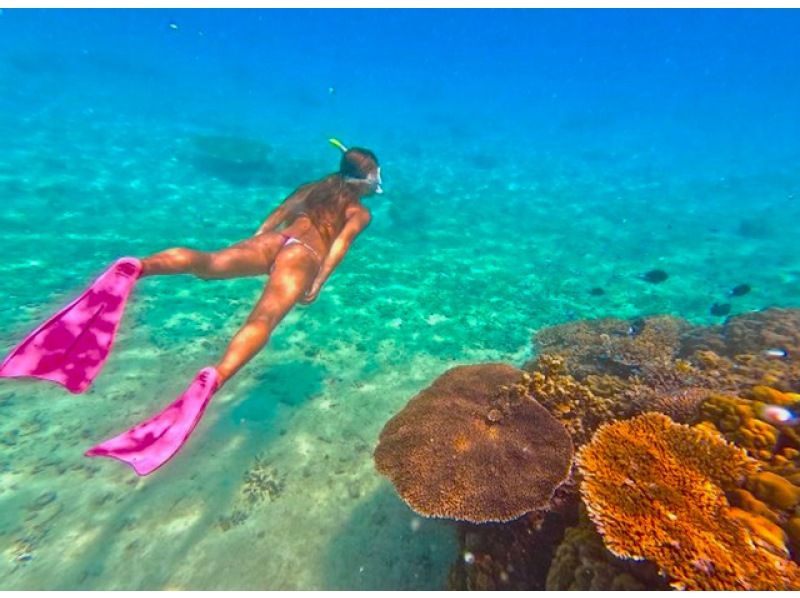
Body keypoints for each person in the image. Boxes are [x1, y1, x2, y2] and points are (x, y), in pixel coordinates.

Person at [0, 139, 381, 475]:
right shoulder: (359, 213)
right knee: (262, 320)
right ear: (366, 180)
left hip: (274, 241)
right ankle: (214, 377)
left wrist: (257, 242)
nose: (378, 181)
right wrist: (315, 281)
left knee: (209, 264)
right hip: (306, 256)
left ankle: (137, 267)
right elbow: (339, 247)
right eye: (376, 175)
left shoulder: (313, 188)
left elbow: (276, 215)